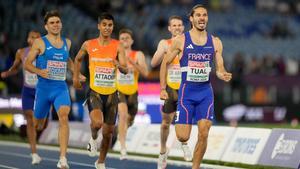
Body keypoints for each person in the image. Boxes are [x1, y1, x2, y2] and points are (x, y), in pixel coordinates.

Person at [160, 5, 232, 169]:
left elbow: (219, 63)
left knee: (204, 132)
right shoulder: (181, 40)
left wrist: (221, 72)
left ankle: (196, 167)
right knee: (183, 136)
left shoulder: (215, 42)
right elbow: (165, 62)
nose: (202, 18)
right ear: (191, 19)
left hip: (206, 92)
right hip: (187, 92)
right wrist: (163, 88)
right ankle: (183, 141)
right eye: (198, 15)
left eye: (204, 15)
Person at [25, 10, 81, 169]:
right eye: (52, 23)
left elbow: (68, 60)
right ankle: (42, 121)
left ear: (61, 24)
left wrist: (77, 73)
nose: (56, 25)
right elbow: (27, 64)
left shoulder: (67, 43)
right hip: (43, 89)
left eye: (58, 22)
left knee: (64, 116)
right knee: (38, 126)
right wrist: (39, 71)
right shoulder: (40, 43)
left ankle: (63, 158)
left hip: (60, 88)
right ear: (46, 26)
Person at [73, 12, 128, 169]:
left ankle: (101, 162)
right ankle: (93, 137)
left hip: (112, 94)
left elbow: (126, 70)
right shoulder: (88, 44)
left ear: (113, 27)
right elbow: (77, 59)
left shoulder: (118, 46)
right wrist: (76, 77)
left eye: (110, 25)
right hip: (95, 91)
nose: (107, 28)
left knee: (109, 133)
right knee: (97, 123)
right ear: (99, 26)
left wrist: (120, 65)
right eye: (104, 25)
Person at [151, 16, 192, 169]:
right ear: (169, 28)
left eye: (180, 25)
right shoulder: (164, 43)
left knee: (184, 120)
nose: (177, 27)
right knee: (165, 123)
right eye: (174, 25)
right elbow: (153, 63)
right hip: (170, 88)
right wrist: (163, 51)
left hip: (185, 88)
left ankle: (184, 144)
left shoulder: (189, 42)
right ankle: (162, 151)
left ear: (183, 27)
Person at [1, 30, 43, 165]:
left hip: (42, 91)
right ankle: (34, 152)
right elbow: (15, 67)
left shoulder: (45, 53)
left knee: (39, 123)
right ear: (28, 39)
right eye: (32, 37)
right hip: (28, 91)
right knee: (29, 117)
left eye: (37, 37)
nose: (34, 39)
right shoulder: (21, 52)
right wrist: (8, 73)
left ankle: (41, 125)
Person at [116, 28, 149, 160]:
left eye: (127, 38)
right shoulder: (115, 54)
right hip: (119, 90)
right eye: (122, 38)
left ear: (132, 41)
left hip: (133, 92)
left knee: (130, 119)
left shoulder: (138, 54)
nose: (124, 40)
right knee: (122, 116)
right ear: (119, 41)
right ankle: (123, 148)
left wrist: (133, 63)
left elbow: (145, 73)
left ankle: (123, 131)